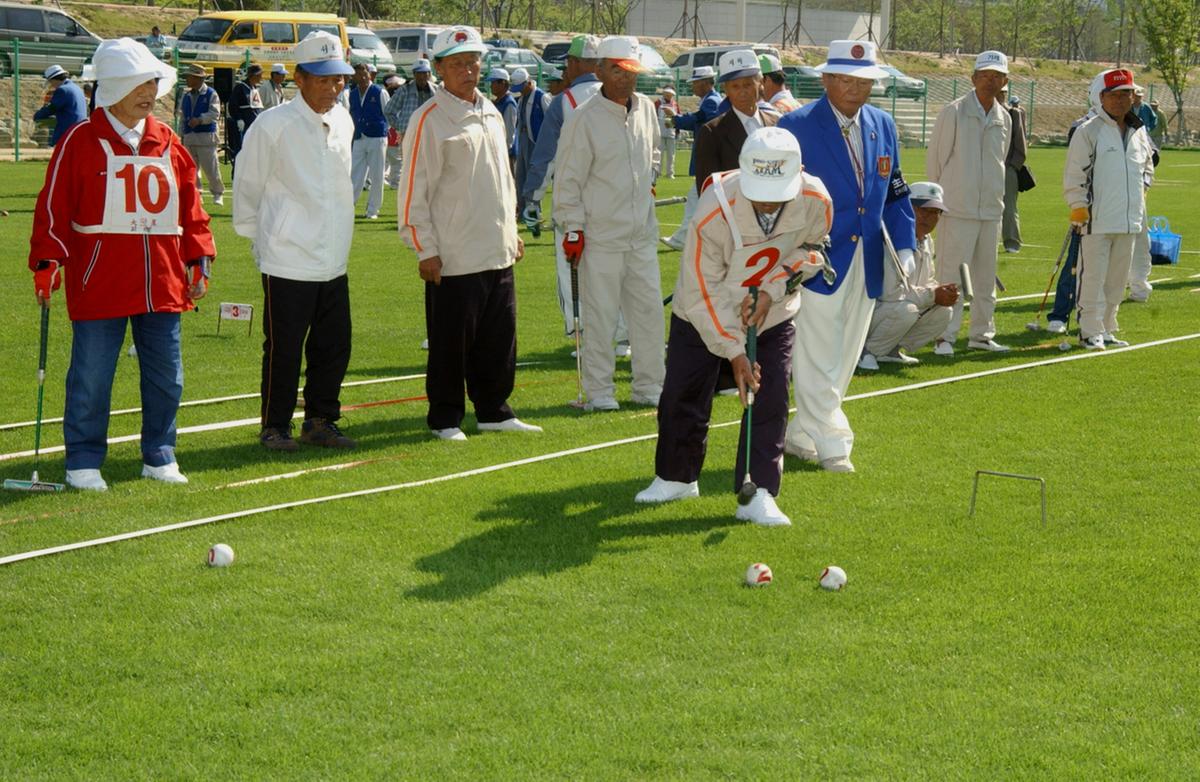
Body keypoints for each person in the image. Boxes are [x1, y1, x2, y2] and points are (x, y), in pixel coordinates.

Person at [28, 37, 215, 491]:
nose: (149, 90)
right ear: (112, 88)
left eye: (152, 80)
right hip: (100, 280)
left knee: (167, 377)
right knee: (91, 377)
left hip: (162, 281)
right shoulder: (78, 140)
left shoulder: (168, 140)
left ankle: (160, 454)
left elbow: (190, 208)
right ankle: (84, 460)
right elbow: (53, 206)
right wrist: (48, 261)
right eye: (139, 82)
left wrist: (199, 256)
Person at [635, 127, 832, 526]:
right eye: (758, 190)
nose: (764, 203)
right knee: (683, 394)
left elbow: (814, 252)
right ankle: (676, 476)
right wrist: (736, 352)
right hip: (704, 310)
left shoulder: (816, 200)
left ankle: (758, 492)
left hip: (772, 312)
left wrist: (772, 290)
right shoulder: (714, 208)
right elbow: (700, 290)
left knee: (771, 396)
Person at [778, 40, 917, 473]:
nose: (856, 88)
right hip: (816, 257)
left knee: (845, 351)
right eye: (845, 79)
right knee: (817, 348)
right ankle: (834, 441)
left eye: (865, 81)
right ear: (825, 79)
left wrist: (907, 244)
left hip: (869, 257)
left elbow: (895, 190)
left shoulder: (883, 124)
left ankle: (802, 434)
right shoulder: (794, 126)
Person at [399, 25, 539, 441]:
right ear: (439, 68)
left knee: (499, 338)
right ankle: (445, 418)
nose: (467, 69)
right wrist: (424, 248)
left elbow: (505, 179)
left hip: (496, 247)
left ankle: (494, 410)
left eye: (473, 61)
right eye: (457, 63)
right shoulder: (428, 119)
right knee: (450, 343)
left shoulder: (492, 111)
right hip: (454, 252)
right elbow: (413, 191)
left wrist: (512, 231)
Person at [233, 31, 358, 451]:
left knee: (334, 345)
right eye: (322, 79)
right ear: (299, 79)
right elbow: (247, 185)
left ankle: (321, 420)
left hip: (333, 257)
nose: (333, 87)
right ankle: (275, 426)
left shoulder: (343, 118)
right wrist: (263, 241)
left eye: (338, 78)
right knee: (284, 349)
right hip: (287, 258)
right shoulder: (272, 125)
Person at [553, 35, 665, 412]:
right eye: (617, 70)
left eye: (631, 71)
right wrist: (572, 227)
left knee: (648, 315)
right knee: (599, 319)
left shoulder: (647, 108)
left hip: (641, 235)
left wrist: (648, 186)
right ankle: (600, 391)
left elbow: (652, 153)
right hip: (599, 237)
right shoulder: (583, 117)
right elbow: (568, 179)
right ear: (599, 69)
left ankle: (650, 386)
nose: (625, 78)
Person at [927, 50, 1012, 354]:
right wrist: (937, 203)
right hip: (956, 209)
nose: (991, 82)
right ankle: (944, 336)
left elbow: (999, 162)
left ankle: (982, 335)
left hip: (990, 210)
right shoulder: (954, 111)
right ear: (974, 78)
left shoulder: (1005, 118)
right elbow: (936, 160)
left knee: (985, 278)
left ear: (1005, 81)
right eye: (985, 76)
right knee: (950, 276)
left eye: (997, 76)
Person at [1063, 68, 1154, 350]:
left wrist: (1141, 193)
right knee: (1093, 278)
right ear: (1101, 97)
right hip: (1096, 219)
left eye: (1126, 93)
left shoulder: (1139, 131)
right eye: (1114, 95)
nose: (1120, 100)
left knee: (1117, 280)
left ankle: (1107, 327)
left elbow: (1147, 167)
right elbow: (1075, 174)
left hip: (1129, 220)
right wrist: (1078, 206)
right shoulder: (1088, 131)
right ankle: (1089, 331)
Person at [522, 34, 603, 341]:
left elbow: (545, 158)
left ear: (576, 63)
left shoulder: (564, 102)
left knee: (571, 269)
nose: (566, 67)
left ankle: (579, 331)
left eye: (569, 61)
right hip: (613, 200)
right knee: (615, 269)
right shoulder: (621, 96)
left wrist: (533, 200)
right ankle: (622, 336)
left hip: (573, 201)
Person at [858, 182, 957, 369]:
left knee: (944, 312)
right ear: (907, 209)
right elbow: (891, 294)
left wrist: (942, 291)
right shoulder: (890, 240)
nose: (931, 217)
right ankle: (865, 352)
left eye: (936, 212)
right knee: (906, 311)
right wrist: (933, 295)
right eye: (924, 210)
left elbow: (927, 280)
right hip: (874, 311)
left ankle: (890, 350)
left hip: (897, 309)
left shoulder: (927, 241)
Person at [694, 50, 779, 192]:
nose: (742, 92)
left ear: (760, 83)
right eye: (735, 86)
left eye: (747, 85)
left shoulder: (777, 123)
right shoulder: (712, 132)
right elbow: (708, 190)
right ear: (725, 89)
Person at [661, 65, 722, 250]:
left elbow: (698, 120)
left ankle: (683, 239)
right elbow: (697, 122)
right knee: (701, 200)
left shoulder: (711, 101)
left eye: (695, 83)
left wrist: (676, 119)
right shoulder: (710, 100)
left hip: (709, 159)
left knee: (696, 199)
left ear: (705, 83)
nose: (692, 87)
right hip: (710, 159)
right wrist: (677, 120)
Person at [178, 64, 224, 206]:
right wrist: (181, 135)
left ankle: (217, 193)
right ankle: (197, 195)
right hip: (189, 137)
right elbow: (182, 117)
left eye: (189, 77)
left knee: (211, 169)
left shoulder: (211, 93)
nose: (187, 80)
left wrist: (200, 119)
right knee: (192, 170)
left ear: (197, 78)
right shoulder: (186, 96)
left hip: (206, 137)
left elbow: (215, 114)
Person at [347, 61, 388, 220]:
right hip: (359, 136)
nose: (362, 78)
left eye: (364, 74)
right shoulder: (353, 93)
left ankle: (372, 210)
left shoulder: (379, 92)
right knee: (355, 174)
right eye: (358, 75)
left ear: (369, 74)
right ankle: (349, 206)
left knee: (377, 175)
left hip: (376, 137)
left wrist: (382, 131)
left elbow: (387, 113)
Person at [512, 67, 550, 219]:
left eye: (521, 87)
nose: (520, 91)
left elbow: (550, 121)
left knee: (533, 180)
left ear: (528, 83)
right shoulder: (522, 98)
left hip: (535, 142)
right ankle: (522, 212)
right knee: (520, 177)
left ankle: (533, 214)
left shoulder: (541, 97)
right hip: (523, 139)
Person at [385, 58, 437, 146]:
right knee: (409, 159)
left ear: (429, 74)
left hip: (432, 135)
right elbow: (388, 111)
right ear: (414, 74)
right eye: (419, 73)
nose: (422, 76)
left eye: (425, 73)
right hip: (409, 135)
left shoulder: (437, 90)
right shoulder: (404, 90)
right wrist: (400, 127)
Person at [35, 65, 87, 147]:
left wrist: (37, 115)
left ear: (54, 79)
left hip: (68, 130)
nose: (51, 85)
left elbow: (51, 109)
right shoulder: (76, 87)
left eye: (50, 82)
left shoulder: (62, 90)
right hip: (80, 128)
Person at [1001, 91, 1027, 253]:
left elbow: (1021, 144)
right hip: (982, 168)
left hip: (1007, 167)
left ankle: (1012, 242)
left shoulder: (1012, 113)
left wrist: (1012, 166)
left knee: (1009, 207)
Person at [227, 63, 264, 176]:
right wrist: (238, 119)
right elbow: (232, 105)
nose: (261, 77)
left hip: (253, 126)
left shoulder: (254, 88)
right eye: (260, 75)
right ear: (254, 75)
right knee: (241, 151)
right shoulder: (241, 88)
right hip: (243, 126)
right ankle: (237, 174)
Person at [488, 67, 518, 166]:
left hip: (505, 152)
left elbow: (509, 131)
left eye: (493, 83)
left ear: (503, 83)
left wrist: (505, 151)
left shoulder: (509, 104)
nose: (491, 86)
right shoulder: (498, 102)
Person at [381, 74, 405, 189]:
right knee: (396, 162)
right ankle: (395, 183)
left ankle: (386, 181)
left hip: (388, 135)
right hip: (393, 135)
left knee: (386, 162)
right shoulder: (396, 101)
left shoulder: (386, 97)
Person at [655, 86, 679, 178]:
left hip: (671, 133)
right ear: (664, 94)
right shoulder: (657, 103)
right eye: (667, 94)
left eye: (671, 94)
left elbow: (678, 117)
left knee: (671, 155)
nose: (669, 96)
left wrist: (677, 131)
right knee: (659, 154)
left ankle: (670, 173)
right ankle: (658, 172)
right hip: (659, 132)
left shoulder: (675, 104)